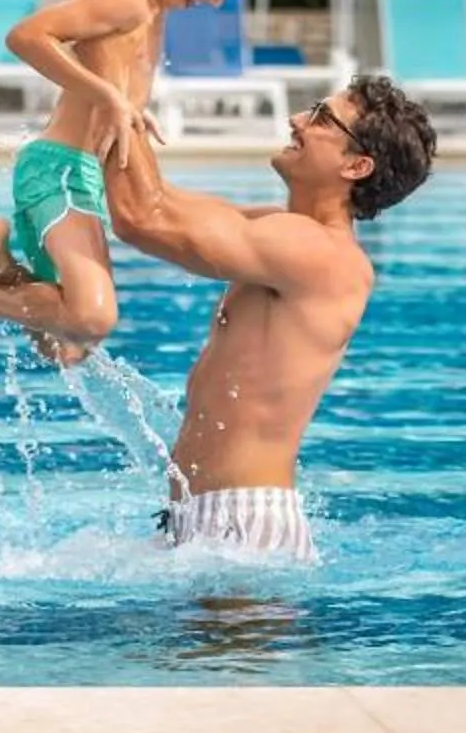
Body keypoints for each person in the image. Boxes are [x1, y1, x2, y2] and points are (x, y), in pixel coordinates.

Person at [0, 0, 273, 355]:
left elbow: (113, 63)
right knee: (92, 315)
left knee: (68, 349)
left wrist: (128, 104)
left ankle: (3, 263)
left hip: (82, 176)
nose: (216, 2)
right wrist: (110, 99)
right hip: (60, 169)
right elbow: (25, 36)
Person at [106, 76, 435, 558]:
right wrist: (116, 95)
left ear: (356, 165)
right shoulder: (280, 229)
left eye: (322, 118)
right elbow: (156, 200)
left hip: (242, 520)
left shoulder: (321, 254)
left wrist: (110, 91)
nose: (296, 120)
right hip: (203, 515)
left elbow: (139, 220)